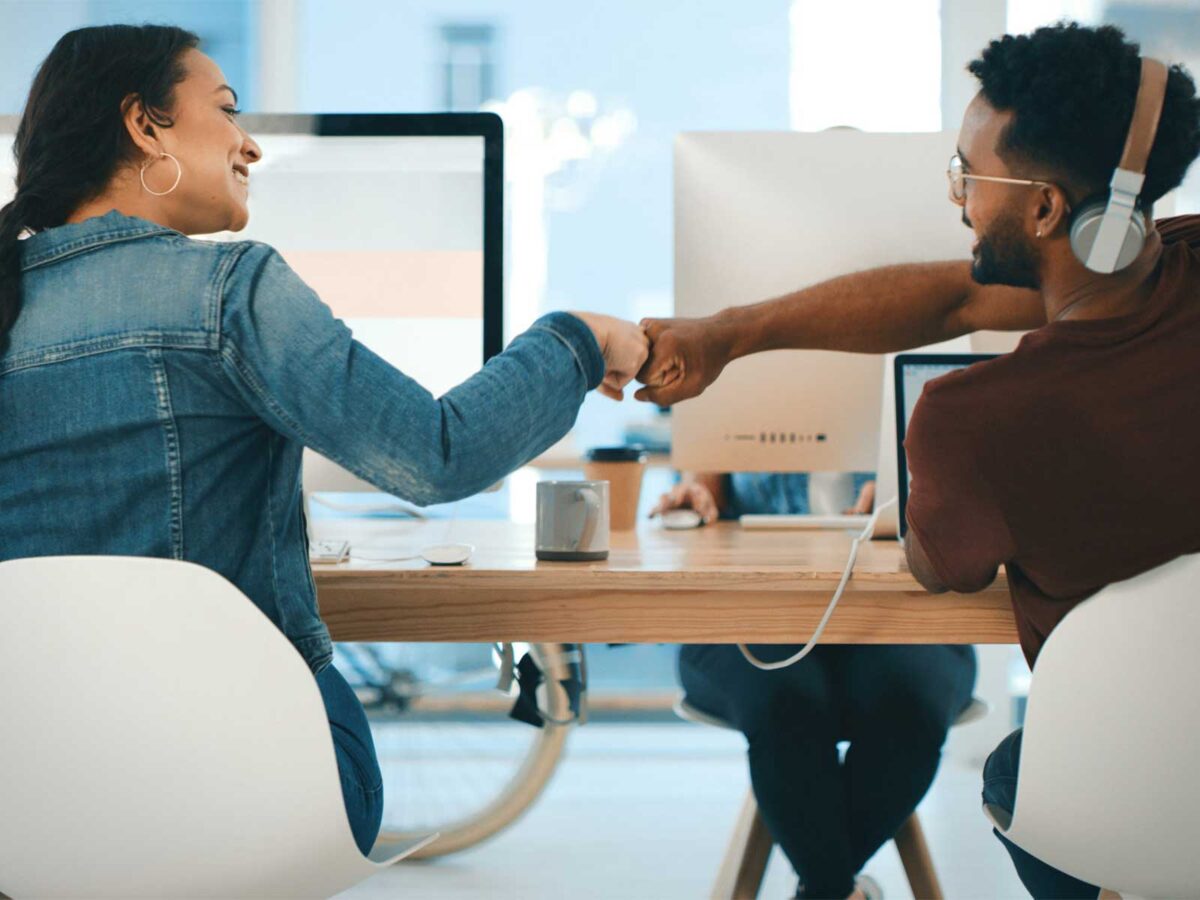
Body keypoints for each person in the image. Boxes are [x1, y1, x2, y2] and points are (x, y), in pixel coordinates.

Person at [0, 25, 648, 856]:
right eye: (227, 110)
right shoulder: (229, 289)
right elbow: (435, 453)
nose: (251, 145)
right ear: (144, 124)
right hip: (249, 787)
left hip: (32, 803)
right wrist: (578, 341)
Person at [635, 22, 1200, 898]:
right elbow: (957, 298)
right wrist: (733, 333)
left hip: (1130, 784)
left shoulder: (974, 422)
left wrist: (914, 494)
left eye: (969, 177)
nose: (957, 199)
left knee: (1031, 773)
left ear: (1049, 211)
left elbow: (938, 566)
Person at [655, 473, 975, 900]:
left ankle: (826, 888)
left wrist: (909, 490)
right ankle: (837, 890)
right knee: (786, 700)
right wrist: (698, 492)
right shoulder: (722, 403)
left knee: (909, 700)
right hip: (752, 607)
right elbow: (711, 472)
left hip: (894, 607)